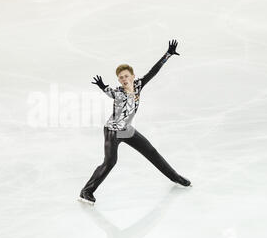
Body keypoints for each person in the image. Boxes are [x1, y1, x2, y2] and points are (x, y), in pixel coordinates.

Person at [79, 40, 191, 205]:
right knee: (110, 162)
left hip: (127, 130)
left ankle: (175, 177)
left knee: (151, 151)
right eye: (120, 77)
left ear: (132, 76)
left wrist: (167, 55)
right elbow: (109, 92)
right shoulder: (118, 92)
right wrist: (103, 87)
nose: (123, 79)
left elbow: (153, 72)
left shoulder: (138, 85)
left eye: (126, 76)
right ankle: (86, 191)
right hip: (113, 131)